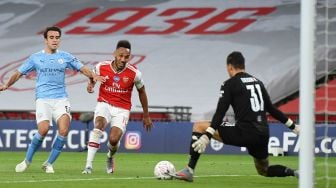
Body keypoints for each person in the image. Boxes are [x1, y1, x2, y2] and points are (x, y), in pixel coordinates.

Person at [173, 51, 300, 182]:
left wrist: (208, 136)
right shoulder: (258, 82)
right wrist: (294, 127)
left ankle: (189, 170)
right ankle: (294, 172)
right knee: (264, 170)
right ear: (243, 65)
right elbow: (271, 109)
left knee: (199, 126)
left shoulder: (230, 84)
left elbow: (220, 112)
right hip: (262, 133)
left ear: (230, 67)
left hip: (244, 131)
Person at [0, 26, 105, 173]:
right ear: (46, 40)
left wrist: (93, 77)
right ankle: (27, 160)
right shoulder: (36, 58)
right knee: (43, 130)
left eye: (57, 37)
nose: (55, 40)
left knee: (64, 130)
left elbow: (82, 68)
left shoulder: (66, 56)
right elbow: (18, 73)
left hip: (61, 99)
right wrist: (6, 85)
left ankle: (48, 163)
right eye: (52, 37)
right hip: (43, 99)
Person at [82, 40, 153, 174]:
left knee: (113, 140)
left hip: (122, 109)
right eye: (120, 55)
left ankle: (110, 157)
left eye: (126, 57)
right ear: (114, 54)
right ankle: (88, 166)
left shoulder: (135, 73)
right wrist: (91, 84)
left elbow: (142, 92)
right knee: (98, 127)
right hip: (104, 103)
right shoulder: (101, 66)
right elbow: (92, 75)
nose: (123, 59)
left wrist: (146, 115)